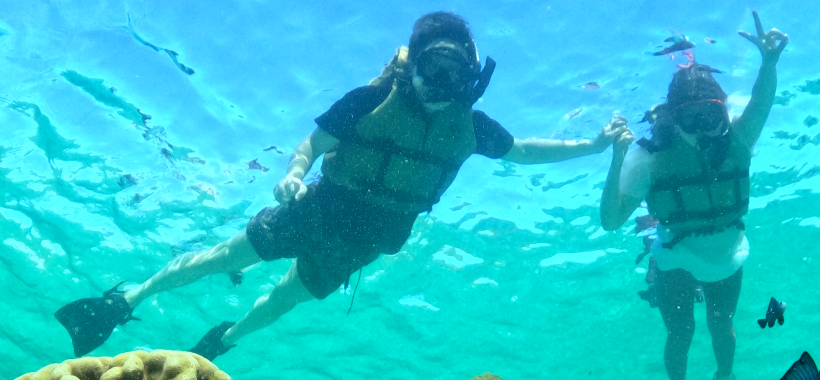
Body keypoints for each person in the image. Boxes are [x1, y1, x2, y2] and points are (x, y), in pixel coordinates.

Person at [55, 12, 625, 359]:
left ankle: (224, 340)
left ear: (473, 79)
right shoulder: (370, 100)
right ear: (413, 66)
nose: (440, 86)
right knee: (224, 257)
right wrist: (293, 175)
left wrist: (595, 147)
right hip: (317, 208)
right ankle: (124, 300)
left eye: (455, 75)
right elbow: (312, 144)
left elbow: (524, 151)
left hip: (366, 239)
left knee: (285, 300)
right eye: (432, 70)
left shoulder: (469, 127)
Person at [600, 12, 788, 380]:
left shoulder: (739, 140)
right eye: (692, 119)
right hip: (675, 254)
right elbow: (611, 221)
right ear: (672, 118)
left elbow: (761, 103)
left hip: (726, 251)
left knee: (723, 325)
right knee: (681, 331)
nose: (703, 130)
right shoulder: (650, 158)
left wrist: (769, 64)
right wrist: (616, 159)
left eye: (710, 116)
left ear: (721, 110)